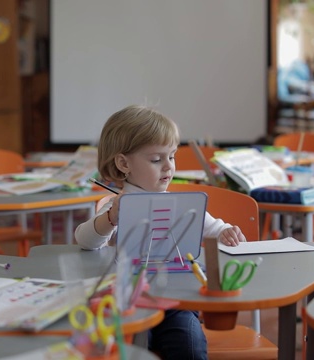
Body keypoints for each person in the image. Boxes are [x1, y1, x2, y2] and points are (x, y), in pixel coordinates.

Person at [75, 105, 246, 359]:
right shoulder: (118, 206)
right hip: (127, 304)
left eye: (172, 156)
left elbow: (215, 228)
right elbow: (85, 240)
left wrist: (226, 232)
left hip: (178, 303)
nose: (168, 167)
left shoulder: (182, 204)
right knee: (125, 348)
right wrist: (111, 218)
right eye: (156, 159)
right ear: (123, 163)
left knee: (190, 345)